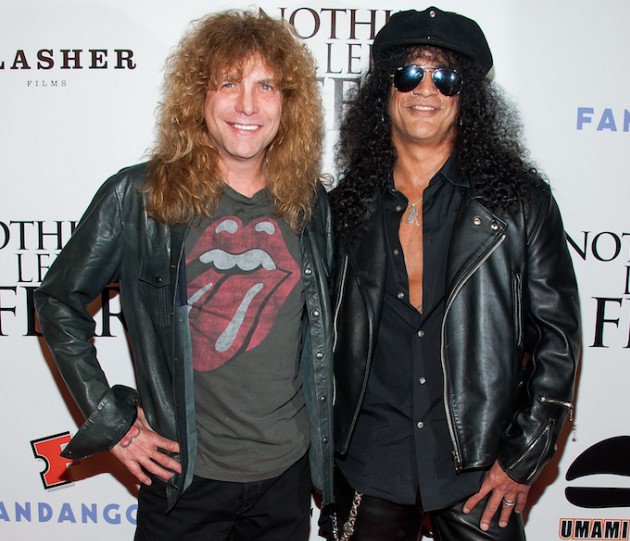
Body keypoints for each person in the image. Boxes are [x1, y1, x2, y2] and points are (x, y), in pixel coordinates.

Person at [35, 10, 334, 540]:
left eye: (265, 86)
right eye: (228, 83)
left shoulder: (310, 204)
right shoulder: (141, 197)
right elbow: (58, 301)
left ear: (288, 103)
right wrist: (115, 424)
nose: (247, 105)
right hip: (182, 481)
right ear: (199, 97)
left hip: (285, 481)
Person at [330, 6, 580, 540]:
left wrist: (522, 457)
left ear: (467, 95)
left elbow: (557, 342)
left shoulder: (518, 204)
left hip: (479, 466)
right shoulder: (344, 208)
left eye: (445, 76)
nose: (426, 89)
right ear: (385, 90)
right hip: (371, 462)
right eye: (409, 73)